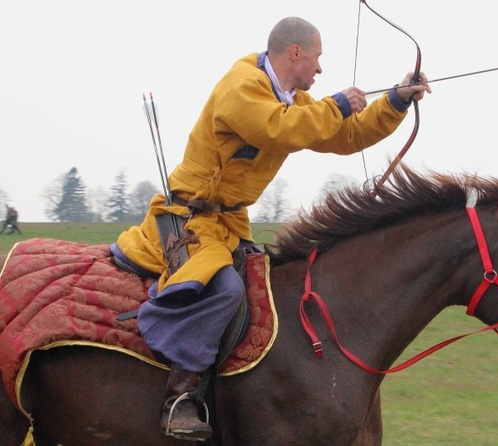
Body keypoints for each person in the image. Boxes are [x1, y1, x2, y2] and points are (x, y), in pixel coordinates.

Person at [111, 16, 430, 441]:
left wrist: (395, 100)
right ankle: (179, 397)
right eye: (316, 59)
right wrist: (334, 104)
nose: (320, 70)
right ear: (294, 53)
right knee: (221, 290)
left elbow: (344, 135)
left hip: (230, 222)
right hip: (187, 221)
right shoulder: (243, 85)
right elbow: (278, 128)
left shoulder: (294, 100)